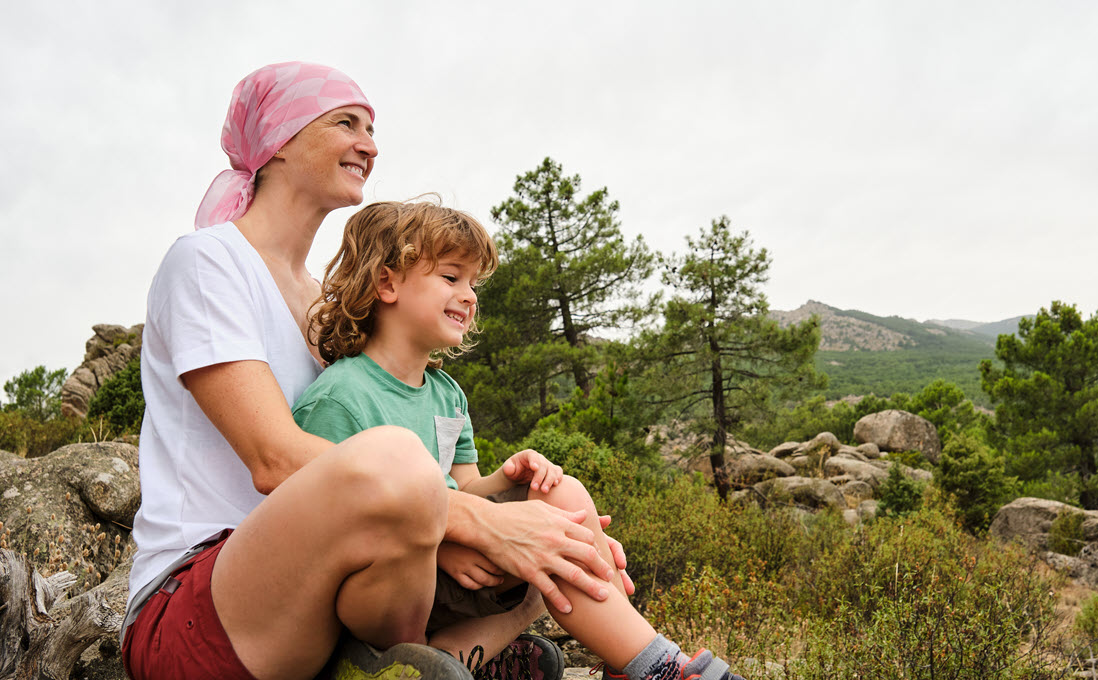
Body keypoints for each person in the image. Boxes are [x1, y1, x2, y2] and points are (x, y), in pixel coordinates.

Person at [121, 62, 619, 680]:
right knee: (399, 456)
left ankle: (449, 658)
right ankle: (453, 651)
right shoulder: (207, 262)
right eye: (345, 123)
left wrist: (554, 531)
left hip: (328, 594)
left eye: (373, 128)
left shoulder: (321, 307)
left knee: (545, 497)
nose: (369, 144)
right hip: (201, 610)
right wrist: (484, 524)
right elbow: (275, 460)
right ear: (278, 142)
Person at [290, 197, 747, 680]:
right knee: (550, 554)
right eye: (450, 277)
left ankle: (635, 662)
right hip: (387, 584)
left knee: (558, 492)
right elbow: (332, 529)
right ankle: (654, 666)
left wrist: (509, 477)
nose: (469, 295)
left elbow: (464, 490)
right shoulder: (341, 398)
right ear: (387, 283)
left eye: (473, 283)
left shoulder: (446, 395)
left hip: (453, 565)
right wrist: (439, 545)